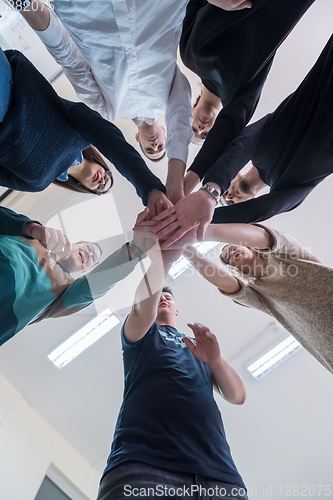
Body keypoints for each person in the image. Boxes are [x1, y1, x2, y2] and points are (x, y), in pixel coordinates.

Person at [96, 227, 248, 500]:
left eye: (171, 297)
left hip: (220, 477)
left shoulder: (199, 345)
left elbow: (237, 396)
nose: (165, 296)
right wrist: (164, 252)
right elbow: (143, 308)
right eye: (160, 295)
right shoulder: (141, 334)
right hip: (143, 467)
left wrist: (215, 361)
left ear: (177, 310)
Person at [150, 34, 333, 246]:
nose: (229, 198)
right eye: (231, 202)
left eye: (225, 196)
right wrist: (200, 220)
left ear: (234, 176)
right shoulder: (290, 191)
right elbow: (263, 210)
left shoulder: (259, 146)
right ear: (249, 199)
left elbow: (239, 147)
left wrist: (210, 192)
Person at [14, 0, 194, 203]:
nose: (155, 145)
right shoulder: (171, 96)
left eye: (149, 150)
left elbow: (70, 60)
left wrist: (26, 5)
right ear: (164, 130)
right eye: (161, 147)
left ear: (138, 140)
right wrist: (175, 184)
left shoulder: (108, 110)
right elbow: (182, 120)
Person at [0, 44, 168, 207]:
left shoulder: (38, 184)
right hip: (8, 84)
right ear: (101, 163)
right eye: (107, 176)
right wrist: (149, 188)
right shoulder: (82, 135)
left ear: (85, 189)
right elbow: (112, 142)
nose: (102, 181)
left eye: (101, 188)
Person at [181, 0, 315, 193]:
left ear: (191, 111)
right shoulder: (241, 95)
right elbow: (227, 131)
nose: (201, 128)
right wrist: (188, 184)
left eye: (194, 129)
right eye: (206, 134)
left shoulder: (186, 55)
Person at [166, 221, 333, 375]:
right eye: (227, 258)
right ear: (232, 267)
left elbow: (264, 237)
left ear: (250, 247)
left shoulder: (285, 254)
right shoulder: (258, 295)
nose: (231, 254)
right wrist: (187, 248)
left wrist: (197, 232)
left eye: (232, 248)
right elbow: (225, 283)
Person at [0, 205, 153, 347]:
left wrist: (135, 250)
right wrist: (31, 228)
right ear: (73, 244)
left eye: (93, 258)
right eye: (87, 248)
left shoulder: (65, 291)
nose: (89, 254)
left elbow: (96, 284)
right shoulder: (35, 235)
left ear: (83, 271)